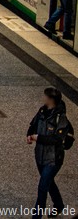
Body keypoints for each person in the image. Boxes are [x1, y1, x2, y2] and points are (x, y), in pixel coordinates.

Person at [27, 87, 72, 215]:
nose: (43, 97)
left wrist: (39, 138)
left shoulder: (61, 118)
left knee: (42, 188)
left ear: (51, 99)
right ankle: (59, 205)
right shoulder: (42, 111)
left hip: (53, 159)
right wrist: (29, 135)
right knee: (49, 182)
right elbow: (33, 124)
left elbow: (57, 139)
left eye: (45, 96)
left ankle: (37, 216)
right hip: (40, 156)